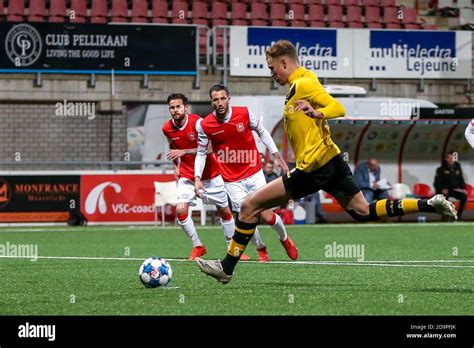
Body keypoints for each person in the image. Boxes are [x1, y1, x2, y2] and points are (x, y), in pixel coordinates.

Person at [196, 40, 458, 284]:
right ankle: (429, 203)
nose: (272, 74)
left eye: (272, 68)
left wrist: (318, 112)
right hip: (331, 161)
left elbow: (337, 108)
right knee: (362, 211)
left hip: (313, 168)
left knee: (249, 205)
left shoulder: (304, 85)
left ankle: (226, 267)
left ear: (284, 63)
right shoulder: (301, 82)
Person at [194, 84, 298, 262]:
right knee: (246, 218)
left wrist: (276, 155)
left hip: (254, 172)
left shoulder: (244, 113)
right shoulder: (205, 125)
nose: (219, 102)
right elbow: (201, 153)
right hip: (232, 181)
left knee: (266, 214)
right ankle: (261, 248)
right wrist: (197, 178)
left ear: (229, 98)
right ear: (211, 102)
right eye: (215, 100)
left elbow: (262, 132)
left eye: (222, 98)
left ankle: (285, 239)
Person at [162, 93, 246, 260]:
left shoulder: (198, 123)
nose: (175, 110)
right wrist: (175, 166)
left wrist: (184, 151)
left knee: (224, 210)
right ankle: (198, 246)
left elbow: (209, 149)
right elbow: (173, 145)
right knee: (180, 209)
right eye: (172, 107)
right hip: (187, 175)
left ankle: (232, 248)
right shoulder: (166, 128)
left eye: (178, 107)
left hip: (210, 174)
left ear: (185, 108)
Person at [434, 152, 468, 220]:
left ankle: (458, 216)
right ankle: (445, 217)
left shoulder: (457, 168)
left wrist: (463, 188)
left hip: (454, 190)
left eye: (453, 158)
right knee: (445, 197)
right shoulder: (441, 169)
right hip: (444, 190)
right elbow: (436, 183)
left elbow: (461, 180)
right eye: (450, 158)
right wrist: (441, 189)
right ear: (446, 159)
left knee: (464, 196)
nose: (452, 159)